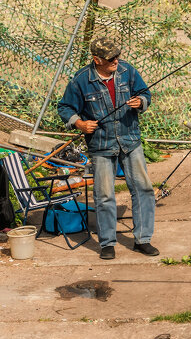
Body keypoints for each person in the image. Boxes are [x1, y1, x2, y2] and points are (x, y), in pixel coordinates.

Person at [57, 35, 159, 260]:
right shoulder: (81, 80)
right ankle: (107, 243)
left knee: (143, 189)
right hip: (101, 146)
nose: (116, 60)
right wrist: (80, 123)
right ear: (97, 59)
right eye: (111, 57)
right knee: (104, 195)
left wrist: (141, 102)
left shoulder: (127, 71)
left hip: (130, 141)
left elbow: (145, 93)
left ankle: (143, 240)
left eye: (117, 55)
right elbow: (64, 107)